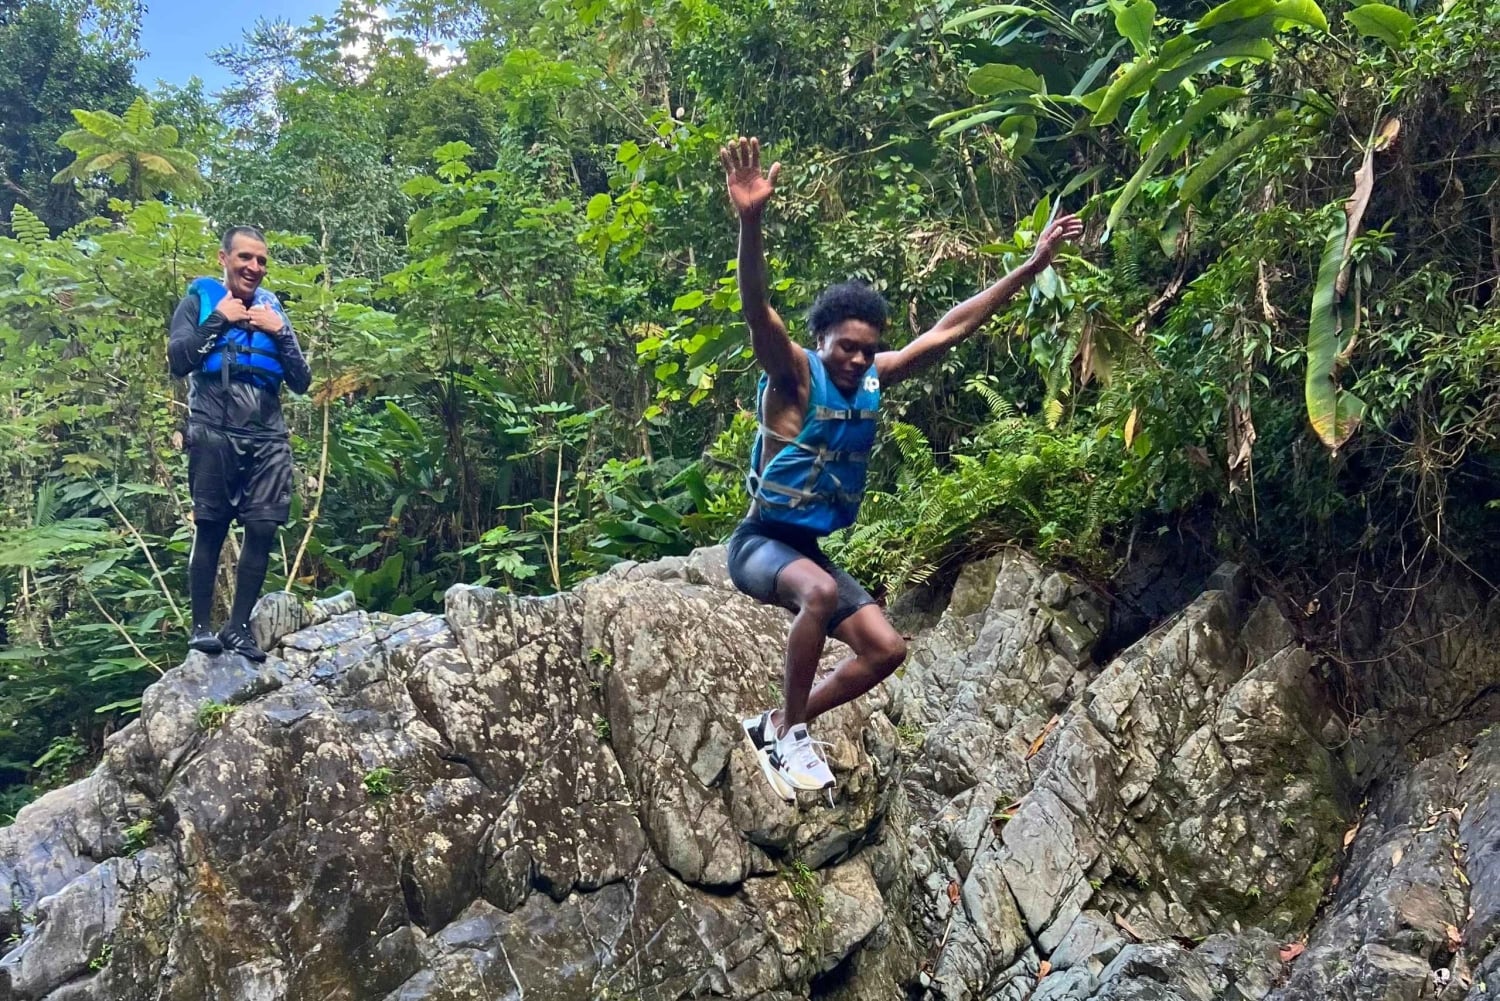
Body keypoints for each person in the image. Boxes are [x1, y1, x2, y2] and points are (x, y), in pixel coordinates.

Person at [720, 136, 1084, 802]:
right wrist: (751, 223)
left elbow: (950, 329)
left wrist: (1031, 268)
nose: (858, 360)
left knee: (887, 649)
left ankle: (779, 721)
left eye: (867, 350)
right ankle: (791, 734)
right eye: (846, 349)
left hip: (806, 546)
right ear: (822, 341)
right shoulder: (795, 375)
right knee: (821, 596)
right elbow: (756, 309)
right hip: (759, 543)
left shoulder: (875, 378)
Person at [167, 226, 311, 660]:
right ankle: (200, 628)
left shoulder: (273, 312)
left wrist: (281, 331)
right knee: (211, 525)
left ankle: (238, 626)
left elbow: (302, 382)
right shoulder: (198, 303)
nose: (254, 267)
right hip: (214, 425)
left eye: (261, 261)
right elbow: (178, 360)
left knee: (264, 527)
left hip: (267, 432)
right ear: (224, 258)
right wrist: (219, 319)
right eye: (245, 257)